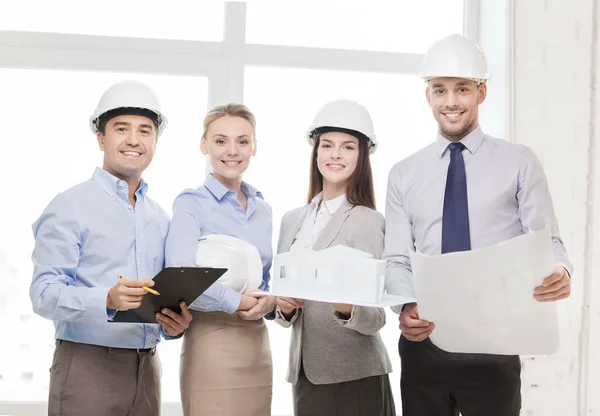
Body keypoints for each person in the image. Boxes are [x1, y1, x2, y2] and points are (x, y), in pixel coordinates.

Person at [383, 34, 573, 416]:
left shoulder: (519, 161)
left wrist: (560, 269)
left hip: (496, 344)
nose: (451, 102)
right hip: (426, 345)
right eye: (440, 90)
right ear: (428, 96)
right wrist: (404, 305)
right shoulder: (404, 174)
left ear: (481, 92)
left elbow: (545, 236)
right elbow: (397, 259)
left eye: (462, 89)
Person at [30, 80, 193, 416]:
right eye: (122, 128)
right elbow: (43, 294)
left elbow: (161, 298)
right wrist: (106, 299)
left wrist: (173, 324)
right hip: (87, 367)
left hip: (148, 370)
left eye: (145, 131)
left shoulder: (161, 218)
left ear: (155, 141)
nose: (134, 139)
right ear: (101, 138)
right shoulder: (68, 206)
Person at [274, 99, 396, 416]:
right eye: (327, 145)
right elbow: (283, 307)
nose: (335, 155)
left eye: (347, 147)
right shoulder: (292, 220)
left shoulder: (368, 221)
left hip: (354, 377)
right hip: (305, 377)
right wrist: (284, 308)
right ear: (316, 152)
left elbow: (378, 317)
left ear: (362, 155)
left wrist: (347, 309)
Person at [165, 103, 275, 416]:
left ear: (254, 147)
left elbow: (265, 279)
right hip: (211, 342)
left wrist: (270, 301)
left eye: (243, 141)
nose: (232, 151)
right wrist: (238, 302)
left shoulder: (262, 210)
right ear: (204, 145)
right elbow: (180, 276)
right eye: (220, 140)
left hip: (257, 345)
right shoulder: (191, 204)